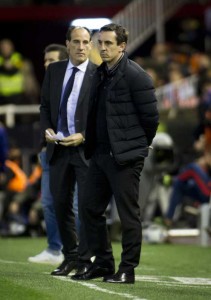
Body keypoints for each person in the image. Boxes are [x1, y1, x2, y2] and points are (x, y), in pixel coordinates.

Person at [71, 23, 159, 284]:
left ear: (122, 46)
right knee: (89, 209)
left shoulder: (136, 75)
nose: (103, 48)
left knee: (128, 215)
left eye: (109, 43)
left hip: (125, 157)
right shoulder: (100, 73)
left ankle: (127, 269)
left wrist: (137, 145)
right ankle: (104, 263)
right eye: (101, 43)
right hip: (99, 154)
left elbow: (151, 118)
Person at [40, 26, 97, 276]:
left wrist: (84, 135)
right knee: (60, 205)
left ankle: (86, 258)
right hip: (58, 148)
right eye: (77, 42)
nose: (81, 46)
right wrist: (47, 129)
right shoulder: (54, 70)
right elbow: (44, 107)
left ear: (90, 46)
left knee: (86, 207)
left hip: (86, 150)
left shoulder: (99, 74)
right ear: (68, 44)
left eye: (86, 42)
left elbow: (102, 116)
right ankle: (70, 257)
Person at [28, 44, 69, 264]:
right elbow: (43, 118)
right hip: (50, 152)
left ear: (64, 62)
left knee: (76, 205)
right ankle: (55, 249)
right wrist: (41, 149)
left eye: (51, 60)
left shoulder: (77, 84)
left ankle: (80, 251)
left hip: (73, 151)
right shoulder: (47, 85)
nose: (46, 65)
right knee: (48, 203)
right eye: (45, 61)